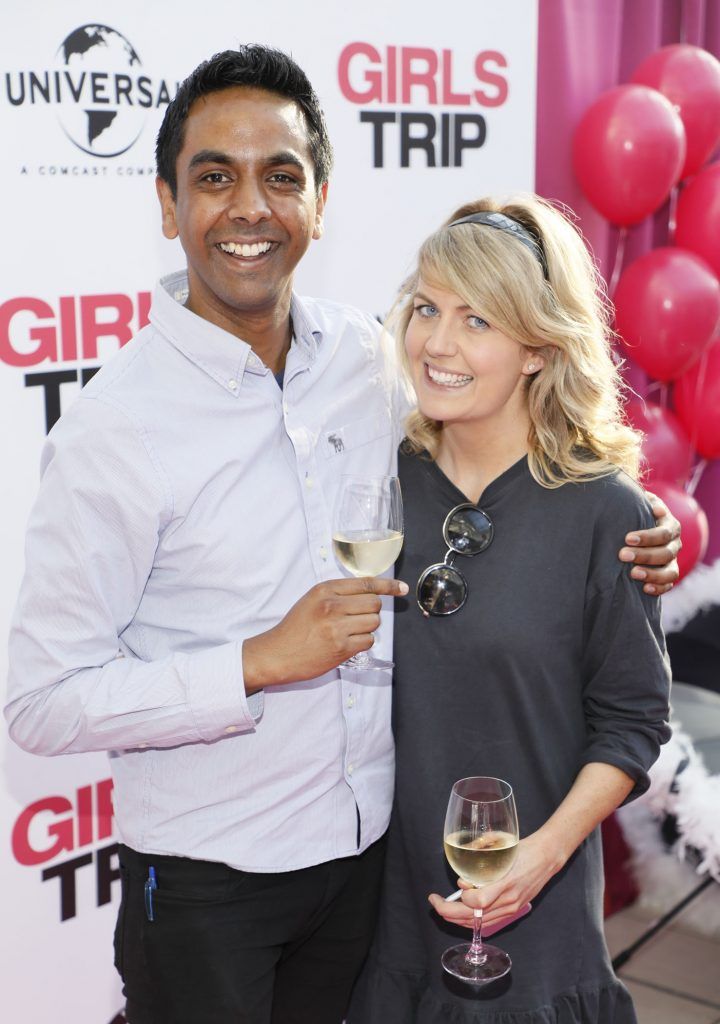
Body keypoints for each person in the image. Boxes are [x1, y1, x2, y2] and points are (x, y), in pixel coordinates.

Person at [5, 49, 677, 1024]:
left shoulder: (369, 366)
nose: (248, 206)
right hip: (212, 886)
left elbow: (528, 463)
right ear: (166, 204)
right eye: (213, 176)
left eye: (281, 175)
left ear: (321, 203)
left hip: (369, 880)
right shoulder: (114, 430)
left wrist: (634, 522)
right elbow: (39, 704)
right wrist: (259, 661)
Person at [346, 196, 672, 1024]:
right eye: (426, 308)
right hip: (380, 904)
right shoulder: (373, 488)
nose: (437, 344)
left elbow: (632, 721)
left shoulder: (608, 516)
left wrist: (541, 857)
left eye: (478, 320)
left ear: (537, 347)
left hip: (537, 902)